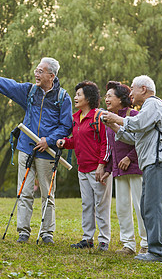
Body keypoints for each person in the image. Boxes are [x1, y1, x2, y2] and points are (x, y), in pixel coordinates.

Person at [0, 57, 73, 244]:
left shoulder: (63, 97)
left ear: (51, 76)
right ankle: (23, 232)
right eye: (36, 70)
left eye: (40, 71)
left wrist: (50, 140)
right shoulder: (29, 91)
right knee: (24, 192)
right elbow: (7, 85)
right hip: (26, 149)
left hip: (48, 153)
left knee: (48, 194)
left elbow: (66, 125)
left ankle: (47, 234)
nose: (36, 74)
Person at [102, 75, 162, 263]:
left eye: (133, 88)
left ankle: (156, 252)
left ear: (143, 89)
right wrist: (115, 126)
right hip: (151, 162)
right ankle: (158, 250)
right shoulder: (148, 108)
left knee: (152, 208)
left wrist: (117, 118)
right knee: (149, 207)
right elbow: (135, 139)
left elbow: (138, 124)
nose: (130, 92)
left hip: (157, 161)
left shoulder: (153, 104)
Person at [56, 81, 111, 251]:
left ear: (88, 98)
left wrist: (102, 165)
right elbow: (78, 141)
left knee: (101, 205)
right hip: (82, 168)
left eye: (79, 94)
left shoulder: (99, 117)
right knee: (87, 204)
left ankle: (103, 240)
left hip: (98, 169)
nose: (75, 97)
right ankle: (87, 239)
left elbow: (105, 143)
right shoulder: (75, 118)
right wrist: (65, 142)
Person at [102, 81, 148, 256]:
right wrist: (107, 168)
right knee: (122, 208)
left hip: (136, 168)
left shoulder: (134, 115)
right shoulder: (108, 118)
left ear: (121, 99)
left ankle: (146, 243)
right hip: (118, 170)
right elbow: (111, 147)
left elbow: (143, 141)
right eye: (106, 96)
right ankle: (128, 245)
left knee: (140, 206)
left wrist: (130, 157)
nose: (106, 99)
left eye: (109, 96)